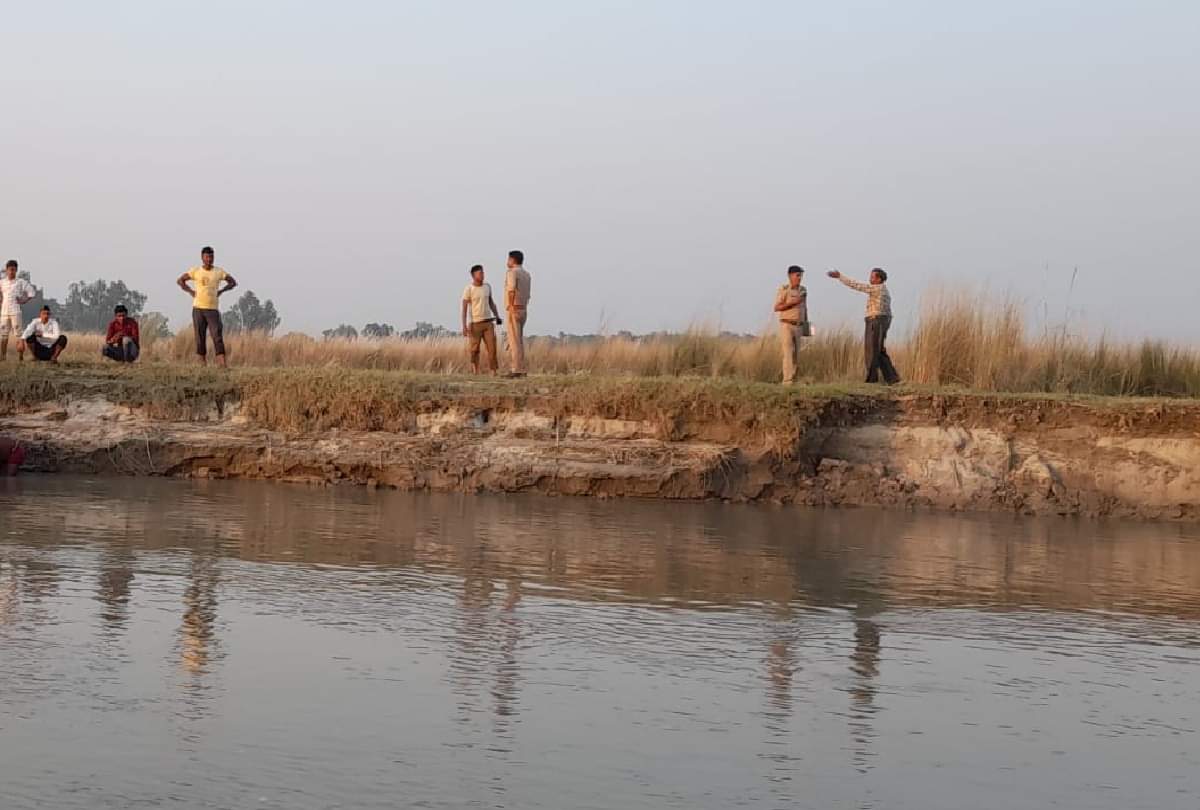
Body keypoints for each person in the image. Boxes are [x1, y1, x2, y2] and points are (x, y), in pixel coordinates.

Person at [828, 267, 900, 385]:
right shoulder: (884, 290)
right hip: (880, 320)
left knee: (872, 350)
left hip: (875, 320)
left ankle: (872, 379)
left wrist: (840, 277)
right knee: (879, 350)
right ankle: (892, 378)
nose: (870, 279)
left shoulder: (877, 288)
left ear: (879, 279)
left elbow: (857, 285)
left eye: (872, 277)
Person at [177, 246, 237, 367]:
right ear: (202, 257)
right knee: (200, 336)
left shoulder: (218, 272)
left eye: (211, 257)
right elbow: (180, 280)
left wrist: (222, 291)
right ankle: (202, 364)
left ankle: (222, 363)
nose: (209, 259)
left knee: (217, 335)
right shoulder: (196, 271)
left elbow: (233, 282)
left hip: (212, 309)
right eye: (207, 257)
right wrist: (190, 291)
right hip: (198, 308)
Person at [461, 265, 503, 375]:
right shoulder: (468, 289)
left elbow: (491, 303)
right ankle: (476, 370)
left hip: (488, 322)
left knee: (492, 348)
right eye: (480, 273)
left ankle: (493, 371)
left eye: (483, 273)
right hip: (475, 323)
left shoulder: (487, 287)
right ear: (473, 275)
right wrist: (464, 326)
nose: (482, 275)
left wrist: (497, 316)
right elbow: (464, 309)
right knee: (474, 349)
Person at [773, 266, 809, 384]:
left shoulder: (803, 290)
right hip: (786, 325)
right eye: (797, 275)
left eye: (801, 275)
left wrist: (806, 326)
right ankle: (787, 381)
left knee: (797, 355)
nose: (800, 278)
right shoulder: (784, 289)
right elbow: (777, 307)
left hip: (799, 325)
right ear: (790, 276)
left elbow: (805, 308)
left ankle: (794, 379)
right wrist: (791, 303)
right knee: (788, 353)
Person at [0, 260, 36, 361]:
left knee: (19, 334)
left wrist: (24, 300)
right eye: (10, 270)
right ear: (6, 270)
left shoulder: (20, 282)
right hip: (4, 312)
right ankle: (2, 357)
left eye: (14, 270)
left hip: (15, 311)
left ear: (16, 271)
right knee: (3, 334)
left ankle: (20, 356)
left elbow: (31, 292)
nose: (12, 272)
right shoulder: (2, 282)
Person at [504, 250, 532, 376]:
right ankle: (521, 367)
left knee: (514, 341)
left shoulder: (512, 273)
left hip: (514, 308)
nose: (507, 262)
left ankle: (516, 369)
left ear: (513, 260)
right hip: (523, 309)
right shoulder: (527, 274)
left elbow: (511, 290)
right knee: (519, 340)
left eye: (509, 259)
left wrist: (510, 306)